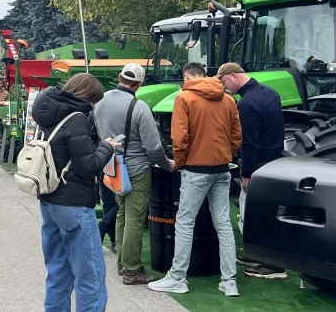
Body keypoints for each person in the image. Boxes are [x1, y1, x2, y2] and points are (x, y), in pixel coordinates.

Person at [30, 73, 123, 312]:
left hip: (50, 201)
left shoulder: (47, 113)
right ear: (89, 97)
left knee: (58, 272)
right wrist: (107, 146)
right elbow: (89, 166)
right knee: (91, 277)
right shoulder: (76, 119)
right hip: (74, 205)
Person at [148, 62, 242, 297]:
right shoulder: (228, 98)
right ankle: (229, 281)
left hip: (195, 169)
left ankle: (178, 277)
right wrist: (226, 154)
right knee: (223, 223)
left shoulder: (185, 97)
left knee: (185, 223)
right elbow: (236, 133)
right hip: (222, 167)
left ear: (186, 76)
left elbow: (180, 136)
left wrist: (180, 162)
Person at [94, 63, 175, 285]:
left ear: (119, 77)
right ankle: (132, 270)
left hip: (112, 166)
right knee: (134, 219)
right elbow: (153, 148)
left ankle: (123, 264)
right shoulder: (139, 107)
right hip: (137, 169)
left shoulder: (100, 101)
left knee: (122, 213)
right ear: (140, 83)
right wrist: (168, 164)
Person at [216, 62, 287, 279]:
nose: (224, 87)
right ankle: (257, 254)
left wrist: (246, 173)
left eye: (224, 81)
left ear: (234, 75)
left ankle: (272, 265)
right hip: (274, 161)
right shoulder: (270, 93)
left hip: (258, 165)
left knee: (256, 214)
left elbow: (249, 142)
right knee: (266, 212)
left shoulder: (247, 104)